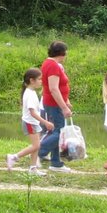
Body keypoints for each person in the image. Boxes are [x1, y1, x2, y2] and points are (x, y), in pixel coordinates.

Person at [6, 68, 54, 176]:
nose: (41, 81)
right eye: (40, 79)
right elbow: (33, 113)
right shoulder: (30, 94)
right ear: (32, 80)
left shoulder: (30, 92)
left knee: (36, 146)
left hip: (33, 123)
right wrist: (45, 122)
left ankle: (33, 168)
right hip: (30, 123)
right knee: (35, 146)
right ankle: (14, 157)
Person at [36, 41, 72, 173]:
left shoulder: (49, 63)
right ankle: (38, 150)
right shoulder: (53, 66)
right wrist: (64, 107)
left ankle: (56, 162)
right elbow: (53, 88)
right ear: (62, 53)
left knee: (56, 131)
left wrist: (66, 100)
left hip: (53, 102)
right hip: (54, 104)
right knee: (59, 132)